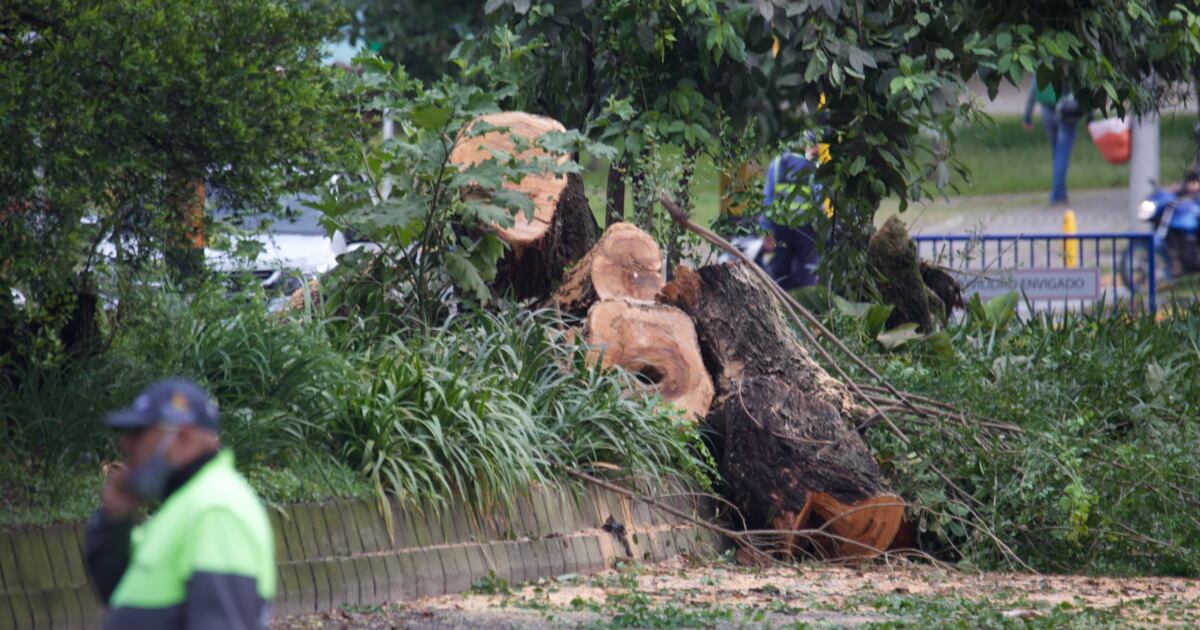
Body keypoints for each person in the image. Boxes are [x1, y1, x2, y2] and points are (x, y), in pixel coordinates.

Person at [85, 379, 276, 629]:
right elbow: (118, 589)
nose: (126, 444)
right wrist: (114, 521)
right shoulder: (182, 508)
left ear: (184, 438)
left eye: (139, 433)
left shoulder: (216, 508)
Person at [760, 147, 826, 289]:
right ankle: (806, 306)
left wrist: (766, 231)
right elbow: (820, 202)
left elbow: (767, 200)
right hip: (806, 230)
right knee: (807, 272)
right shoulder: (812, 166)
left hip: (781, 229)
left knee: (780, 272)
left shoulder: (777, 164)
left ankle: (779, 306)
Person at [1024, 77, 1085, 205]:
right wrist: (1089, 117)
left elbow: (1033, 89)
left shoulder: (1043, 61)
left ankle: (1061, 192)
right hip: (1066, 111)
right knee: (1061, 154)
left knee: (1056, 152)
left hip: (1046, 112)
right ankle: (1056, 194)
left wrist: (1027, 117)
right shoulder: (1069, 61)